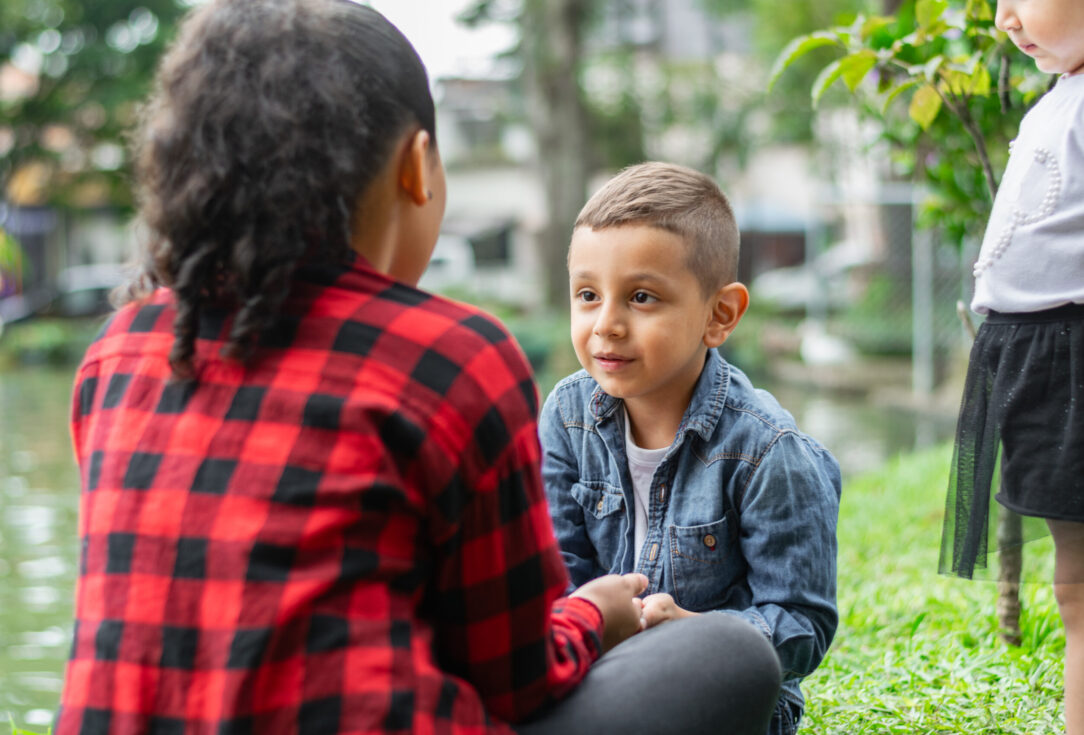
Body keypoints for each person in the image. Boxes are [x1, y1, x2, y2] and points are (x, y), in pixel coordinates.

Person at [56, 2, 780, 734]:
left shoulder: (118, 350)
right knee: (728, 653)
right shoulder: (447, 355)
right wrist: (594, 612)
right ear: (416, 164)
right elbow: (518, 679)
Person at [539, 161, 842, 735]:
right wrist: (590, 620)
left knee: (731, 654)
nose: (606, 324)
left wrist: (693, 629)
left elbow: (804, 622)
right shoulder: (566, 415)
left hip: (718, 687)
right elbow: (557, 570)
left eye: (641, 297)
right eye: (588, 294)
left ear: (719, 315)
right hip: (594, 665)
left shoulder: (768, 449)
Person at [939, 0, 1084, 730]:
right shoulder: (1060, 96)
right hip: (1038, 357)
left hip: (1071, 352)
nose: (1004, 18)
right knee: (1075, 583)